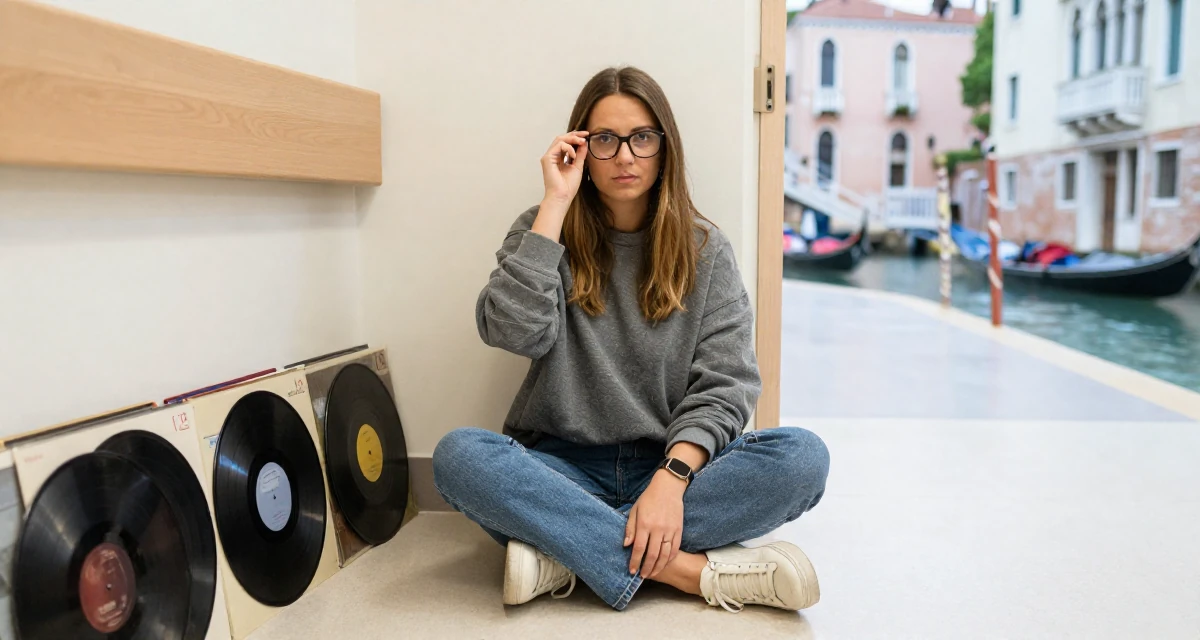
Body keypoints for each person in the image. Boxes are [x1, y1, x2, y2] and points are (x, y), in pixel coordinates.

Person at [432, 66, 829, 613]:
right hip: (561, 471)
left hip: (674, 470)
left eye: (642, 138)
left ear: (664, 149)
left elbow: (728, 383)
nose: (624, 156)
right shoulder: (541, 229)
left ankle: (563, 553)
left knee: (802, 459)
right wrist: (554, 202)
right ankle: (689, 573)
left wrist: (670, 480)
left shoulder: (705, 249)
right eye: (605, 140)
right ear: (580, 148)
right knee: (458, 456)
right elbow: (511, 330)